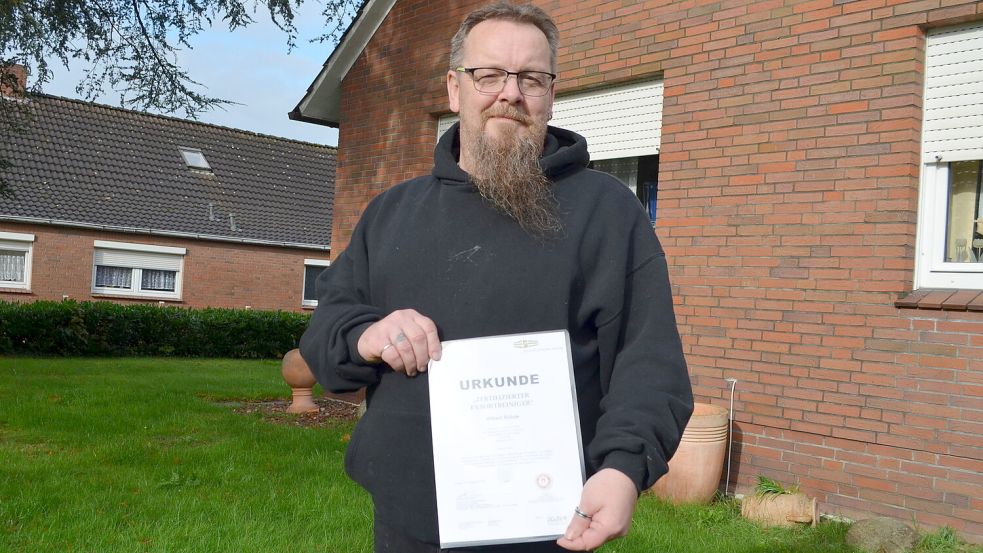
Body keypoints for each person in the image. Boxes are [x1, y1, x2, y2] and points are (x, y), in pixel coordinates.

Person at [299, 2, 693, 552]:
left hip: (549, 528)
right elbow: (325, 335)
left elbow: (647, 362)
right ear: (455, 89)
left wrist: (624, 468)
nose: (510, 93)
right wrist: (364, 334)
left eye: (530, 77)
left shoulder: (607, 212)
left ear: (550, 94)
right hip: (406, 529)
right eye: (489, 75)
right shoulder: (391, 213)